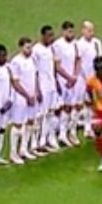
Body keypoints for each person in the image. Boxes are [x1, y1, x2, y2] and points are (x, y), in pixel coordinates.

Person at [7, 37, 39, 164]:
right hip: (20, 97)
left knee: (30, 121)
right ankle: (13, 153)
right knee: (18, 124)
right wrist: (27, 96)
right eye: (27, 48)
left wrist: (36, 91)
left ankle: (23, 149)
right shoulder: (16, 62)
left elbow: (35, 76)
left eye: (30, 47)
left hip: (32, 95)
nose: (30, 50)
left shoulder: (32, 59)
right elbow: (15, 82)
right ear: (21, 48)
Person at [52, 21, 83, 146]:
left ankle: (71, 132)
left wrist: (75, 75)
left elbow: (78, 60)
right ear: (63, 31)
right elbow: (57, 66)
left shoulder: (75, 44)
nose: (71, 34)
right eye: (69, 31)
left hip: (74, 79)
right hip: (63, 80)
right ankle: (62, 133)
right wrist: (68, 77)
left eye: (72, 31)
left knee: (76, 105)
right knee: (65, 107)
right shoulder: (58, 45)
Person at [31, 25, 60, 154]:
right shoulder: (36, 50)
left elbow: (53, 68)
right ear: (43, 36)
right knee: (40, 115)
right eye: (49, 35)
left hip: (51, 85)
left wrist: (56, 83)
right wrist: (37, 89)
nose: (51, 38)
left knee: (51, 112)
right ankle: (35, 143)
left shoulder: (51, 49)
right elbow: (35, 72)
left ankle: (46, 139)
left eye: (52, 35)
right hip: (43, 86)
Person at [74, 21, 102, 138]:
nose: (91, 33)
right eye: (89, 30)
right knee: (79, 104)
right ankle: (73, 128)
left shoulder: (97, 43)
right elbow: (78, 63)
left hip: (94, 78)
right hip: (82, 78)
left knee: (90, 103)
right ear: (83, 31)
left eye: (92, 30)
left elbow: (100, 60)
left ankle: (88, 128)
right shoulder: (79, 45)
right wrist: (83, 77)